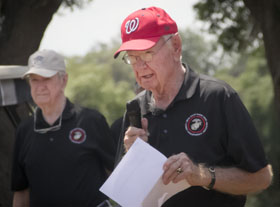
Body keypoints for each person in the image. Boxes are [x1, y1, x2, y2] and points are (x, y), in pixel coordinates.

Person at [113, 6, 273, 207]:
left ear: (176, 46)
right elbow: (127, 196)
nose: (139, 66)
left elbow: (261, 178)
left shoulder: (217, 97)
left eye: (146, 53)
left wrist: (201, 175)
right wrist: (133, 156)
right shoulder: (135, 109)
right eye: (132, 57)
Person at [11, 49, 116, 207]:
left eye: (46, 78)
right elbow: (21, 191)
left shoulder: (91, 120)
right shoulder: (24, 130)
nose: (40, 86)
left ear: (64, 80)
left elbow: (117, 174)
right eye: (34, 80)